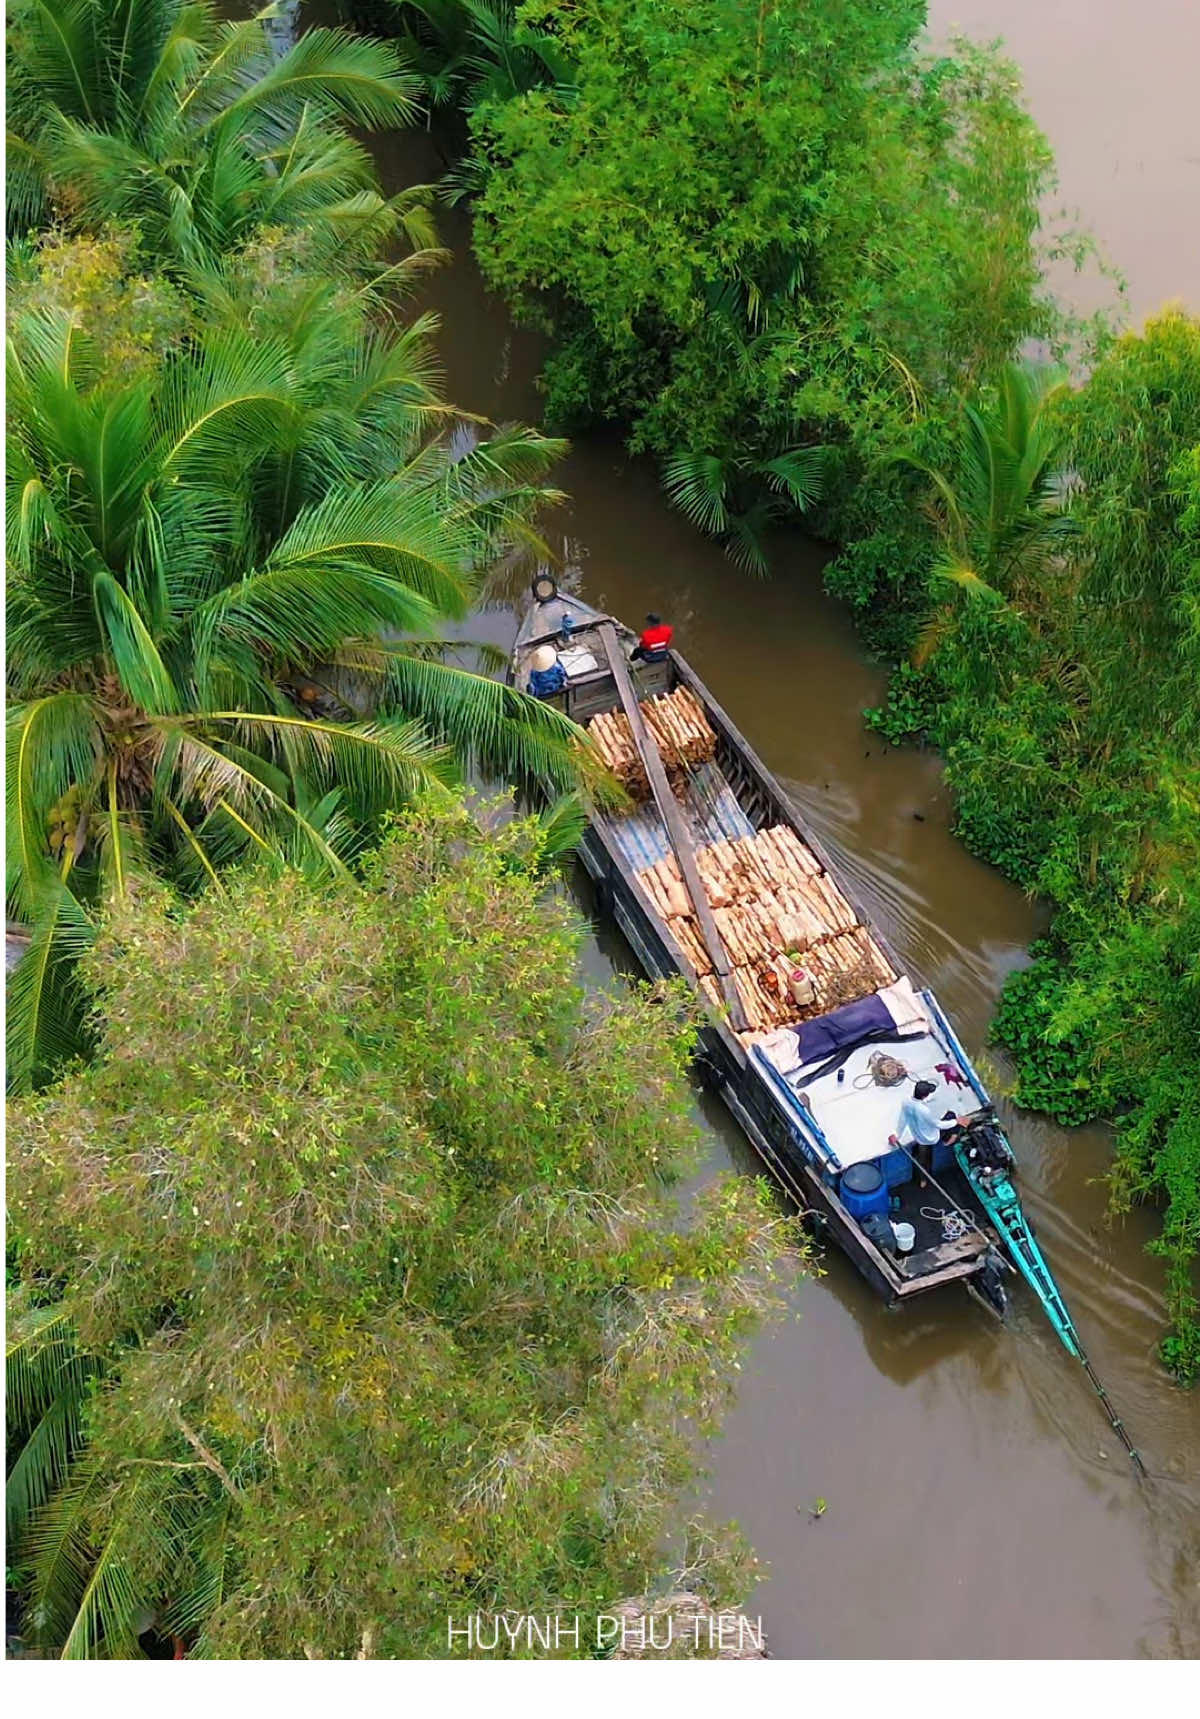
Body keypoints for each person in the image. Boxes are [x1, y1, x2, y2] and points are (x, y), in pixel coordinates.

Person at [888, 1078, 970, 1176]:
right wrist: (956, 1121)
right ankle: (949, 1139)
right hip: (930, 1138)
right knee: (951, 1115)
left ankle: (923, 1180)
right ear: (925, 1096)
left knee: (925, 1157)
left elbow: (903, 1119)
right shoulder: (924, 1110)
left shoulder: (906, 1102)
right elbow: (938, 1124)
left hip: (917, 1135)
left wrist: (897, 1135)